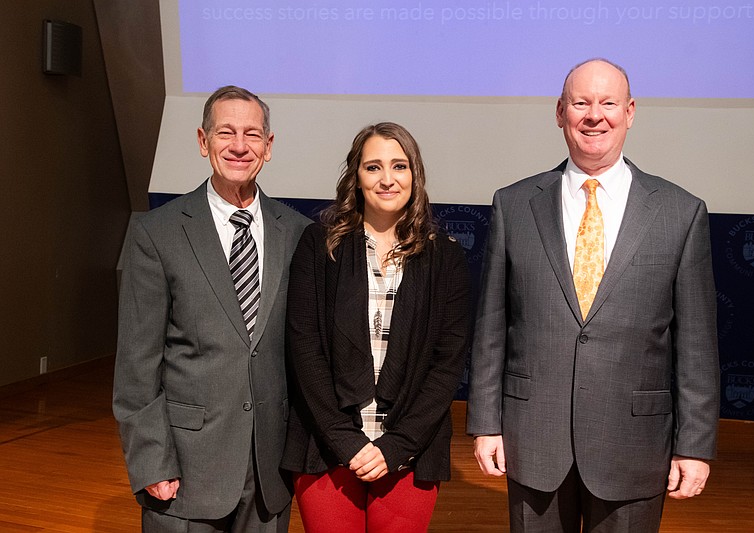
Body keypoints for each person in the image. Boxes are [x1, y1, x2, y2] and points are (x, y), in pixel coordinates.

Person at [467, 59, 720, 532]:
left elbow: (697, 346)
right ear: (560, 112)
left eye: (608, 103)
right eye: (581, 102)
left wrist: (695, 445)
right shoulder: (515, 204)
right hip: (533, 440)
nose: (594, 115)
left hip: (635, 445)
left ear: (630, 112)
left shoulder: (681, 212)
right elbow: (492, 328)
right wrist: (486, 423)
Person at [113, 85, 310, 532]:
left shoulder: (298, 234)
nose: (239, 146)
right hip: (185, 474)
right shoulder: (155, 233)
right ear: (203, 142)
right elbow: (136, 364)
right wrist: (152, 461)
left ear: (269, 146)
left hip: (269, 475)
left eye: (252, 134)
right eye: (226, 133)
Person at [280, 122, 471, 532]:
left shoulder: (445, 257)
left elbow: (447, 363)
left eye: (399, 166)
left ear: (414, 175)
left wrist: (396, 446)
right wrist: (346, 442)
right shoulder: (319, 244)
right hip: (326, 444)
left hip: (410, 447)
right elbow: (305, 349)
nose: (388, 179)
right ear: (356, 177)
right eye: (373, 167)